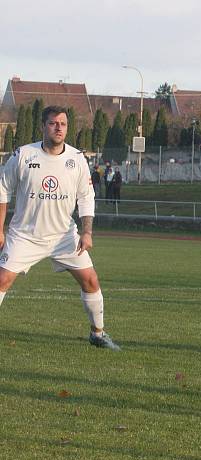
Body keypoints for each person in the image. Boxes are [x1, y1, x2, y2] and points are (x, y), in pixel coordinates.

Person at [0, 106, 120, 351]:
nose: (58, 128)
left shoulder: (76, 159)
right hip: (25, 235)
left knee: (90, 280)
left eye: (63, 124)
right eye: (53, 123)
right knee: (2, 279)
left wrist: (86, 232)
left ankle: (98, 333)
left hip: (64, 237)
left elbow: (86, 198)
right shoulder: (23, 155)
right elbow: (3, 190)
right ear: (43, 126)